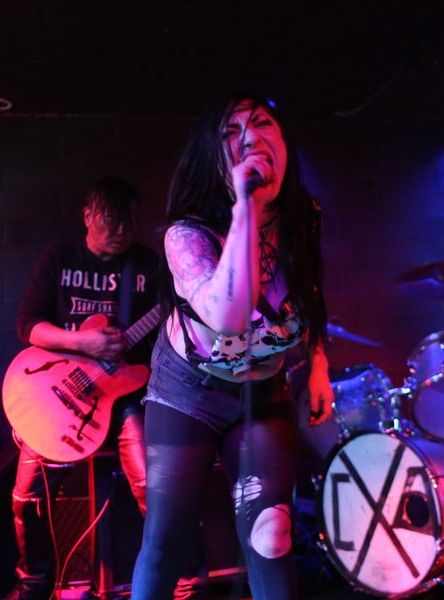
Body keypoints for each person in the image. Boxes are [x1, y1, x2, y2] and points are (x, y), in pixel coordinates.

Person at [130, 93, 334, 600]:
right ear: (214, 158)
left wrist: (318, 364)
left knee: (273, 534)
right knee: (167, 543)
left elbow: (309, 290)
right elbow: (229, 317)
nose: (250, 137)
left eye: (262, 123)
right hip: (187, 393)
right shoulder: (188, 235)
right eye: (230, 132)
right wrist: (248, 207)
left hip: (262, 392)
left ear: (283, 142)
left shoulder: (304, 218)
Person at [7, 176, 161, 600]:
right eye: (111, 221)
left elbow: (167, 333)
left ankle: (178, 581)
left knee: (152, 487)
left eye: (129, 223)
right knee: (27, 497)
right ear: (89, 216)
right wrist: (82, 342)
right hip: (60, 393)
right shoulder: (59, 258)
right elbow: (27, 326)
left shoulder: (147, 266)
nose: (121, 231)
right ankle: (34, 583)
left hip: (124, 394)